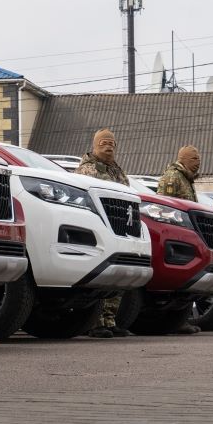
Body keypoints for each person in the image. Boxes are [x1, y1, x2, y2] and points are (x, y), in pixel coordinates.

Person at [76, 129, 132, 338]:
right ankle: (95, 322)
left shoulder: (117, 171)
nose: (109, 146)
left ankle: (109, 320)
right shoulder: (87, 170)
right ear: (95, 145)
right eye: (104, 143)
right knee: (101, 275)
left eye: (112, 143)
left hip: (119, 228)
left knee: (117, 275)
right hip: (100, 227)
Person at [155, 146, 202, 335]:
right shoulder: (172, 177)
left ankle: (181, 320)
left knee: (187, 281)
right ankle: (170, 321)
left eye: (199, 158)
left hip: (187, 236)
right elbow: (162, 207)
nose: (198, 162)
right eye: (194, 158)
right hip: (175, 236)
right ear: (183, 159)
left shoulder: (187, 179)